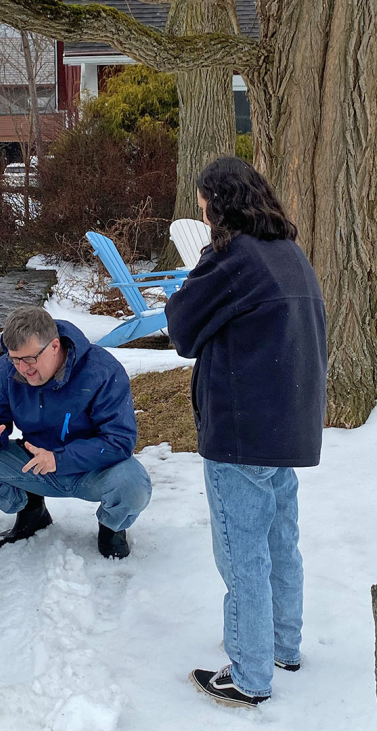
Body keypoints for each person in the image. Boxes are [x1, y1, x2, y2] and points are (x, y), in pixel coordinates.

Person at [165, 157, 327, 708]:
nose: (199, 211)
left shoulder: (232, 258)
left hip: (242, 429)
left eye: (202, 200)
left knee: (242, 552)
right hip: (287, 424)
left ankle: (250, 673)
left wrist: (205, 260)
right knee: (280, 541)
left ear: (219, 202)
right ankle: (281, 644)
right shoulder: (288, 253)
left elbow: (182, 328)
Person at [0, 306, 151, 559]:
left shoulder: (102, 370)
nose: (23, 368)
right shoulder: (7, 368)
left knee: (133, 486)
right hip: (35, 465)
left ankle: (111, 528)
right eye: (15, 359)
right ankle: (31, 511)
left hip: (94, 470)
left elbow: (119, 441)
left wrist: (59, 459)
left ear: (55, 346)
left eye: (29, 359)